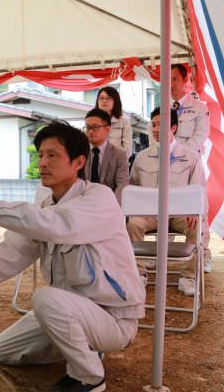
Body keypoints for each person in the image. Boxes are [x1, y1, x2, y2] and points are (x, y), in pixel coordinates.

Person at [0, 122, 144, 392]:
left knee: (45, 298)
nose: (43, 163)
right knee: (3, 350)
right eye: (40, 155)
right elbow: (14, 251)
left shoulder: (100, 198)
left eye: (53, 155)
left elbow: (58, 225)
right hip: (71, 311)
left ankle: (89, 375)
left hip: (112, 320)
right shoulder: (47, 207)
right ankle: (84, 345)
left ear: (78, 162)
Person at [127, 107, 210, 296]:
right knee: (133, 224)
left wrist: (194, 211)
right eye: (153, 124)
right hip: (150, 215)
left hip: (181, 215)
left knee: (199, 228)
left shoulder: (191, 158)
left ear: (173, 127)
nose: (155, 129)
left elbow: (199, 191)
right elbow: (131, 189)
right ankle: (139, 273)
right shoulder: (141, 158)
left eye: (160, 124)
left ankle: (188, 276)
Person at [84, 108, 129, 203]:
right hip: (82, 203)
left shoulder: (119, 155)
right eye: (88, 127)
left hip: (109, 203)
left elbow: (122, 185)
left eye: (95, 127)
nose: (91, 132)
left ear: (107, 129)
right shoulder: (80, 152)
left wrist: (111, 206)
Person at [170, 64, 210, 154]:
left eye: (174, 79)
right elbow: (153, 135)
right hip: (166, 162)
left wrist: (179, 153)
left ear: (185, 80)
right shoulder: (161, 109)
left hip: (190, 161)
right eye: (168, 79)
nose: (171, 84)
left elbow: (201, 135)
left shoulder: (200, 108)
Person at [95, 85, 133, 158]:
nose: (104, 101)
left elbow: (127, 151)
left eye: (108, 98)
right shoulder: (92, 122)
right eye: (101, 98)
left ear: (115, 101)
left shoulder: (124, 122)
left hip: (117, 165)